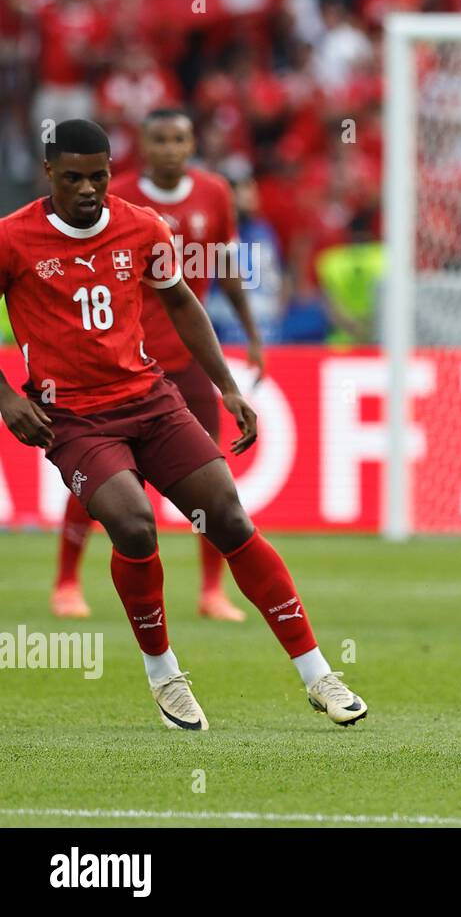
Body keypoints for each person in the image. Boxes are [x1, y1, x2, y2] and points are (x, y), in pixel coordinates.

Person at [0, 119, 366, 729]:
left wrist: (227, 385)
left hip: (150, 397)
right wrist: (8, 398)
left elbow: (182, 303)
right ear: (48, 175)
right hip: (74, 417)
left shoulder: (142, 227)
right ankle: (164, 673)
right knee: (135, 525)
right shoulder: (12, 239)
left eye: (98, 176)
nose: (88, 189)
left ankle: (317, 673)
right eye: (73, 179)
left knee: (229, 517)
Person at [49, 108, 264, 621]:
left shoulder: (214, 193)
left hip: (186, 359)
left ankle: (212, 591)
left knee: (210, 476)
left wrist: (252, 337)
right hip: (121, 363)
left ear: (192, 145)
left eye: (179, 138)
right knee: (100, 480)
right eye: (160, 139)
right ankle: (66, 582)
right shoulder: (108, 194)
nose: (170, 148)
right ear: (143, 146)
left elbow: (223, 267)